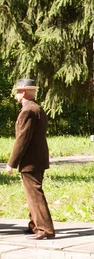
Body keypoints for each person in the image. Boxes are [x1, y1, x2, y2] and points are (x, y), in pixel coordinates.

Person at [6, 79, 55, 240]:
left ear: (24, 93)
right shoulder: (37, 108)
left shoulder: (27, 111)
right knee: (32, 192)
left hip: (30, 160)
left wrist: (11, 162)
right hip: (38, 157)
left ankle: (45, 229)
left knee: (34, 194)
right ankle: (34, 224)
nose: (17, 94)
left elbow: (22, 139)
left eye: (19, 91)